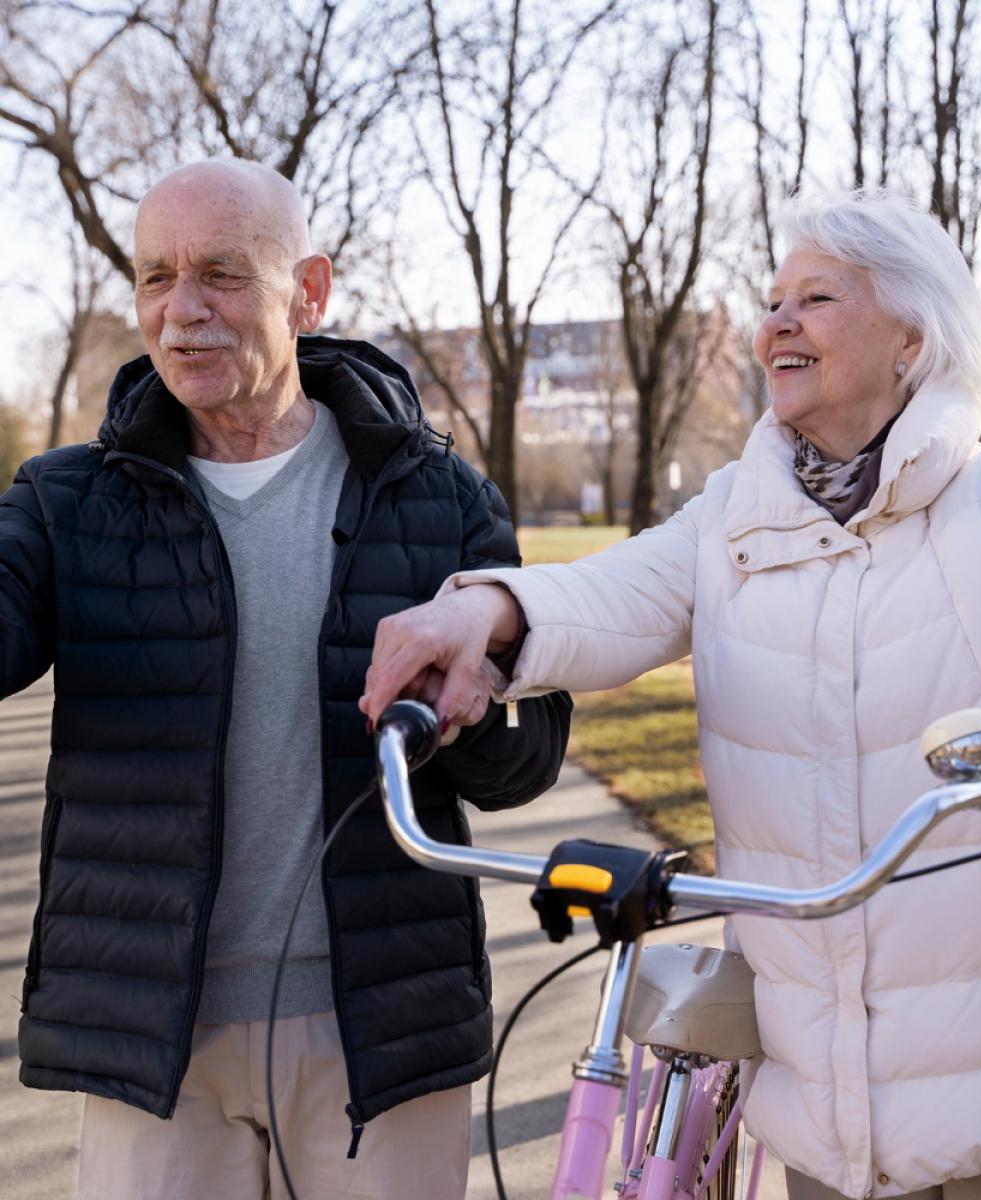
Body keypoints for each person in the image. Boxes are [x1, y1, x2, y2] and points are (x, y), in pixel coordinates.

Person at [359, 191, 981, 1200]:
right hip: (821, 1077)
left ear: (912, 340)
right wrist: (482, 612)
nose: (776, 323)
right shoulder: (735, 516)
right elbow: (613, 593)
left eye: (817, 298)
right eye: (774, 300)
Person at [0, 159, 571, 1200]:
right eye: (155, 278)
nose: (182, 313)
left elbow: (529, 758)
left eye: (221, 274)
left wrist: (479, 713)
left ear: (309, 291)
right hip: (153, 1039)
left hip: (383, 1032)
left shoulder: (437, 496)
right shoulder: (64, 502)